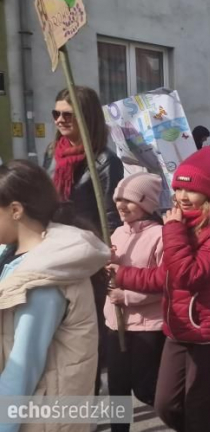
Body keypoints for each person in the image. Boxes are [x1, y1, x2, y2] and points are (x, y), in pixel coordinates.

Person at [113, 147, 210, 432]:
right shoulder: (181, 223)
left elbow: (188, 276)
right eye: (179, 188)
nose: (182, 196)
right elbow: (165, 276)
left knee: (197, 405)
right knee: (165, 405)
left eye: (191, 190)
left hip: (208, 331)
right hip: (178, 328)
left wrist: (171, 230)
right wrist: (121, 275)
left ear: (208, 193)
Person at [0, 161, 110, 432]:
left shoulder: (43, 276)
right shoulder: (15, 258)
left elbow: (22, 368)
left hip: (39, 419)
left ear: (15, 210)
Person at [43, 86, 124, 396]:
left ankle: (88, 396)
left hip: (88, 257)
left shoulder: (104, 161)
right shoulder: (53, 152)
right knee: (57, 332)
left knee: (88, 336)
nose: (60, 120)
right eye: (56, 113)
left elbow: (111, 215)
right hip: (54, 251)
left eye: (68, 114)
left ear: (86, 116)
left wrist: (108, 259)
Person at [105, 173, 166, 432]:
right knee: (117, 389)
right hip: (115, 323)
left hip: (148, 326)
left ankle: (194, 420)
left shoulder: (161, 236)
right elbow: (108, 276)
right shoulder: (116, 233)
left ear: (147, 203)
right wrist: (105, 262)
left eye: (129, 200)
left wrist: (127, 297)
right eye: (118, 199)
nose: (121, 205)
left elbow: (166, 284)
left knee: (145, 388)